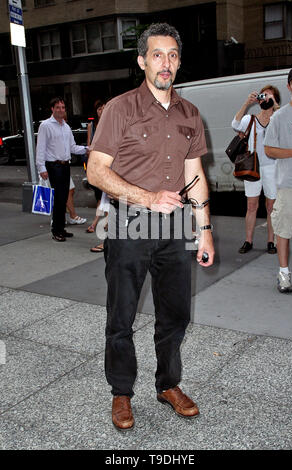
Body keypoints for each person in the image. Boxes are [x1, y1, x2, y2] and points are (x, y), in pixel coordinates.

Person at [87, 23, 214, 430]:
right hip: (126, 223)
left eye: (173, 55)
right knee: (120, 316)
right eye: (157, 54)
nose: (166, 63)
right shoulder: (120, 109)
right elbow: (95, 171)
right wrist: (147, 197)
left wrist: (205, 228)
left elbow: (194, 175)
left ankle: (168, 384)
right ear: (142, 60)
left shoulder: (190, 114)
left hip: (177, 226)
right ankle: (121, 393)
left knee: (175, 314)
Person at [232, 85, 281, 254]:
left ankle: (271, 241)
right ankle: (248, 241)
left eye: (269, 96)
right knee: (251, 205)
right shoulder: (250, 120)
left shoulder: (278, 118)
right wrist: (246, 103)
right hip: (253, 167)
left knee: (271, 207)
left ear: (275, 99)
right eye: (263, 96)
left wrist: (275, 106)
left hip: (273, 168)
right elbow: (235, 124)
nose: (265, 99)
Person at [264, 66, 292, 293]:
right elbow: (268, 149)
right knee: (284, 230)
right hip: (289, 183)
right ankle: (284, 275)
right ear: (289, 87)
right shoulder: (279, 116)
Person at [36, 97, 88, 241]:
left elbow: (72, 147)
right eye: (58, 107)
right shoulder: (46, 126)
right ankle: (56, 231)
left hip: (65, 166)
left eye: (63, 107)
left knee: (64, 197)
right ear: (52, 109)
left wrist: (87, 149)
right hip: (54, 166)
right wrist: (41, 167)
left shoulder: (66, 126)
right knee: (59, 199)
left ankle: (61, 228)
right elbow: (40, 148)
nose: (61, 110)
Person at [86, 99, 108, 253]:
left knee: (108, 202)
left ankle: (107, 239)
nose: (102, 110)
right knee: (104, 200)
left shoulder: (112, 124)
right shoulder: (92, 126)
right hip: (98, 167)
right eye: (100, 108)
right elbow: (90, 146)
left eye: (104, 108)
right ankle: (107, 237)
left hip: (109, 168)